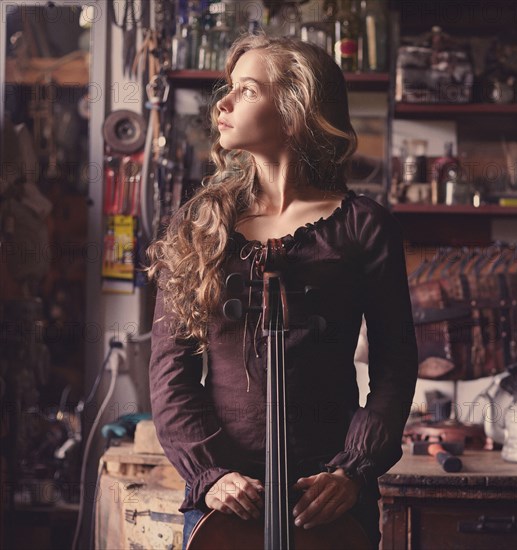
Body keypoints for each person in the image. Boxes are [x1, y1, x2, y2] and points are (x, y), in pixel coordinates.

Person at [147, 33, 418, 549]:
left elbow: (396, 362)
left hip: (328, 493)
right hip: (226, 497)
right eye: (228, 88)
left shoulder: (364, 226)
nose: (222, 103)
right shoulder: (201, 225)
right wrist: (211, 475)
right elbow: (169, 371)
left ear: (296, 107)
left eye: (247, 90)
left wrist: (353, 470)